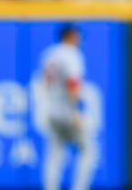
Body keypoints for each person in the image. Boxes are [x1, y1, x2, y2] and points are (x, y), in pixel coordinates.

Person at [38, 25, 97, 190]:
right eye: (77, 36)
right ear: (70, 36)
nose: (79, 40)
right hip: (67, 111)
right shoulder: (71, 54)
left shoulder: (49, 54)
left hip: (50, 110)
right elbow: (72, 84)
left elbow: (42, 83)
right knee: (89, 150)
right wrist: (75, 111)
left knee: (55, 154)